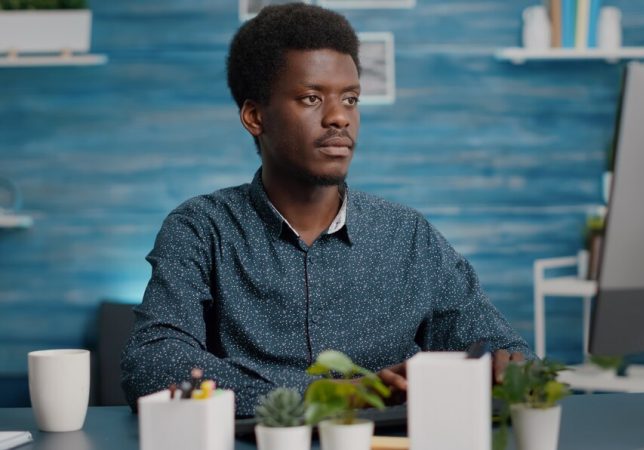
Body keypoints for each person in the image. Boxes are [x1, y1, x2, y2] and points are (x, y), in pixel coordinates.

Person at [121, 3, 532, 416]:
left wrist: (504, 365)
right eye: (311, 97)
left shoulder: (408, 236)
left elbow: (503, 348)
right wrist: (328, 396)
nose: (339, 118)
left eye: (351, 99)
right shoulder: (202, 229)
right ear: (254, 116)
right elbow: (153, 365)